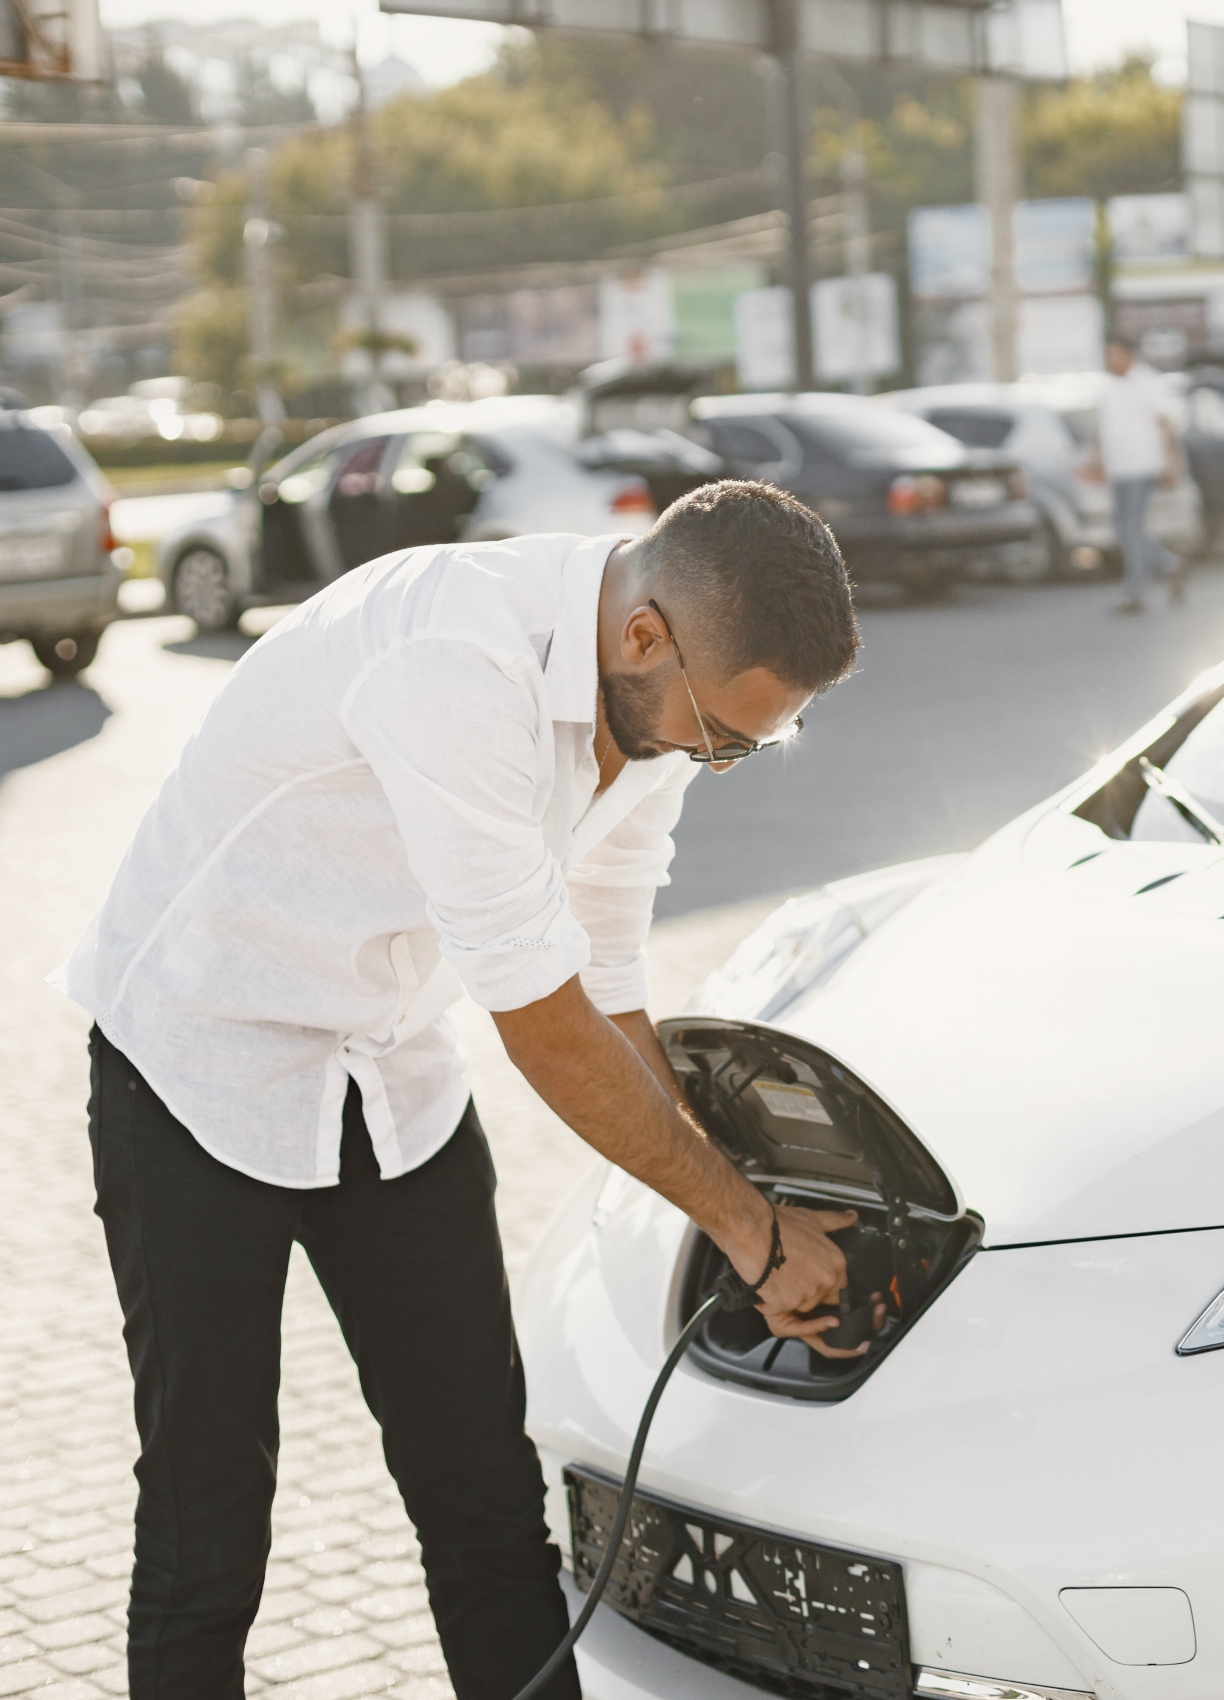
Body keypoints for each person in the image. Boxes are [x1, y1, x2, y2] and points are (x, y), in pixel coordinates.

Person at [53, 481, 864, 1700]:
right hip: (197, 1064)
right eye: (723, 733)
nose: (716, 758)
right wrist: (749, 1233)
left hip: (386, 1073)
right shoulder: (454, 659)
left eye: (749, 743)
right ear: (643, 634)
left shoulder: (658, 703)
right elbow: (542, 1020)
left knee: (484, 1497)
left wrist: (741, 1207)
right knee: (207, 1514)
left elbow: (606, 974)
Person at [1097, 333, 1186, 615]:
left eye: (1113, 354)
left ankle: (1135, 593)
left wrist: (1172, 463)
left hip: (1143, 466)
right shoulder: (1112, 387)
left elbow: (1167, 423)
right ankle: (1169, 564)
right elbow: (1108, 431)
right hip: (1119, 467)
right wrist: (1097, 460)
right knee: (1124, 530)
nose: (1110, 360)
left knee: (1132, 528)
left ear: (1127, 354)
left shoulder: (1148, 382)